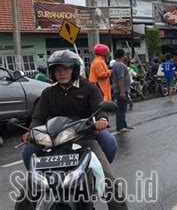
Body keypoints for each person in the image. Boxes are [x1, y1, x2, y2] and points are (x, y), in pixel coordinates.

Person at [20, 50, 126, 210]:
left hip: (84, 139)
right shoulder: (49, 92)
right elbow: (38, 117)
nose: (61, 73)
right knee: (29, 176)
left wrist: (102, 120)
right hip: (54, 142)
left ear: (74, 70)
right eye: (57, 70)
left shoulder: (89, 88)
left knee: (107, 179)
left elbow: (100, 108)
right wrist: (31, 131)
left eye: (65, 69)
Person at [111, 49, 134, 132]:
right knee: (121, 108)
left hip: (121, 89)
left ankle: (124, 124)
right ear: (122, 56)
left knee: (123, 108)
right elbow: (120, 78)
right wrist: (122, 91)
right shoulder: (120, 65)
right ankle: (120, 126)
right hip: (120, 90)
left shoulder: (117, 64)